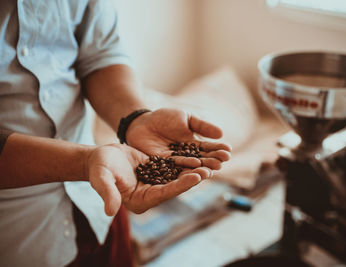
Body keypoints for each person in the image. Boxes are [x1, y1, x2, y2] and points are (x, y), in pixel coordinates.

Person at [0, 1, 231, 266]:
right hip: (18, 240)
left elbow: (99, 55)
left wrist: (134, 119)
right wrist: (84, 162)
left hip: (98, 203)